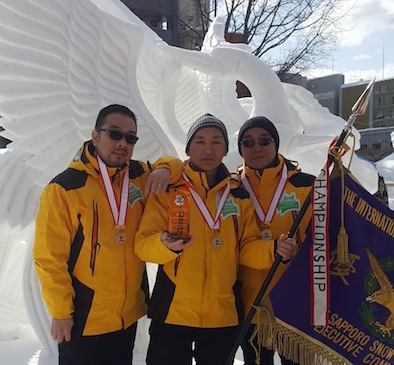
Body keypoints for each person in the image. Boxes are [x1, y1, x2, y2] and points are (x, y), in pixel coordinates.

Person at [135, 113, 297, 365]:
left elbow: (246, 248)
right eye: (200, 141)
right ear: (188, 148)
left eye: (216, 142)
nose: (208, 149)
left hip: (222, 317)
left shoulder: (238, 196)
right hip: (172, 312)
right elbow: (143, 245)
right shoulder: (169, 189)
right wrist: (165, 245)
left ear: (226, 150)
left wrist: (273, 249)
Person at [33, 104, 182, 365]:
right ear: (95, 135)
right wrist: (60, 312)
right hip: (83, 318)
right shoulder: (65, 187)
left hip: (126, 316)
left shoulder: (138, 176)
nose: (122, 143)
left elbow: (178, 166)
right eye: (115, 134)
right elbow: (49, 259)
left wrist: (164, 169)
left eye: (130, 137)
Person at [236, 116, 315, 365]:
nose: (256, 147)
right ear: (240, 149)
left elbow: (324, 239)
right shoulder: (232, 188)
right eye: (248, 142)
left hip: (294, 303)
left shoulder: (306, 186)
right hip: (251, 306)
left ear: (276, 144)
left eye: (264, 140)